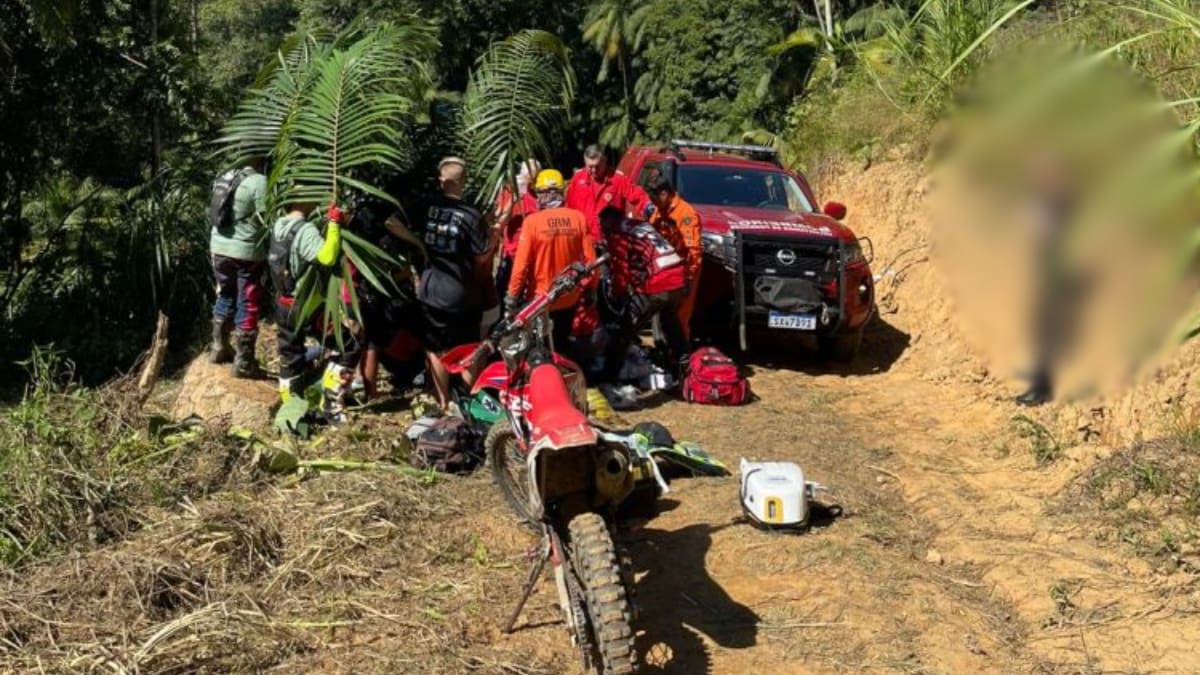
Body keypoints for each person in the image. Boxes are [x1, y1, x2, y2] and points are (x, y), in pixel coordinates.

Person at [397, 157, 493, 410]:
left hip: (430, 291)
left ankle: (444, 402)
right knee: (470, 350)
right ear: (463, 181)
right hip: (463, 294)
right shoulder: (471, 215)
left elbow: (391, 221)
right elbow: (482, 256)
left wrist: (418, 244)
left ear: (441, 180)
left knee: (435, 348)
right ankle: (470, 402)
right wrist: (494, 233)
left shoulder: (424, 206)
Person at [269, 200, 362, 422]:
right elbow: (326, 256)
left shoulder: (279, 224)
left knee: (290, 357)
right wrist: (333, 223)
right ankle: (331, 405)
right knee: (349, 345)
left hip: (284, 303)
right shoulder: (305, 229)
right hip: (307, 307)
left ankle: (291, 416)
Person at [506, 169, 596, 356]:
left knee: (539, 348)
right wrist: (591, 288)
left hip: (540, 301)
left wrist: (512, 297)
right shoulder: (578, 218)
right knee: (561, 346)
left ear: (541, 193)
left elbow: (520, 266)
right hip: (568, 297)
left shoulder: (532, 222)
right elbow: (591, 262)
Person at [597, 206, 689, 382]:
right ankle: (684, 371)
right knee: (671, 325)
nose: (603, 231)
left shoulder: (619, 233)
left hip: (658, 283)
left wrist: (618, 296)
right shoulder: (640, 226)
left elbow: (621, 271)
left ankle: (608, 376)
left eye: (603, 225)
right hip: (678, 279)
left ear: (610, 221)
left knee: (625, 329)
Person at [209, 157, 267, 378]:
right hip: (246, 252)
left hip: (218, 249)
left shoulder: (225, 176)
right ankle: (244, 363)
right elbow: (265, 218)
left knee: (226, 294)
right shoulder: (258, 181)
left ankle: (219, 347)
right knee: (248, 302)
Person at [646, 174, 703, 342]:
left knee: (679, 317)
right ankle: (664, 350)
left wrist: (688, 279)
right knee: (662, 314)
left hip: (685, 270)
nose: (654, 204)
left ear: (664, 194)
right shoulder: (660, 209)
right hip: (665, 269)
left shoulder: (686, 214)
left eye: (655, 199)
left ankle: (680, 357)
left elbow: (693, 251)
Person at [566, 144, 650, 242]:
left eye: (597, 166)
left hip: (611, 240)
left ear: (605, 161)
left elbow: (638, 195)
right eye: (590, 167)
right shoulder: (577, 179)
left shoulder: (617, 179)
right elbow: (569, 208)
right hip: (584, 239)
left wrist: (648, 207)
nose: (593, 171)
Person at [494, 159, 541, 321]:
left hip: (533, 255)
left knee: (529, 298)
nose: (530, 180)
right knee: (505, 293)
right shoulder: (509, 190)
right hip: (512, 253)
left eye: (534, 177)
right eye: (528, 175)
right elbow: (498, 219)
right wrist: (512, 200)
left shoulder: (540, 194)